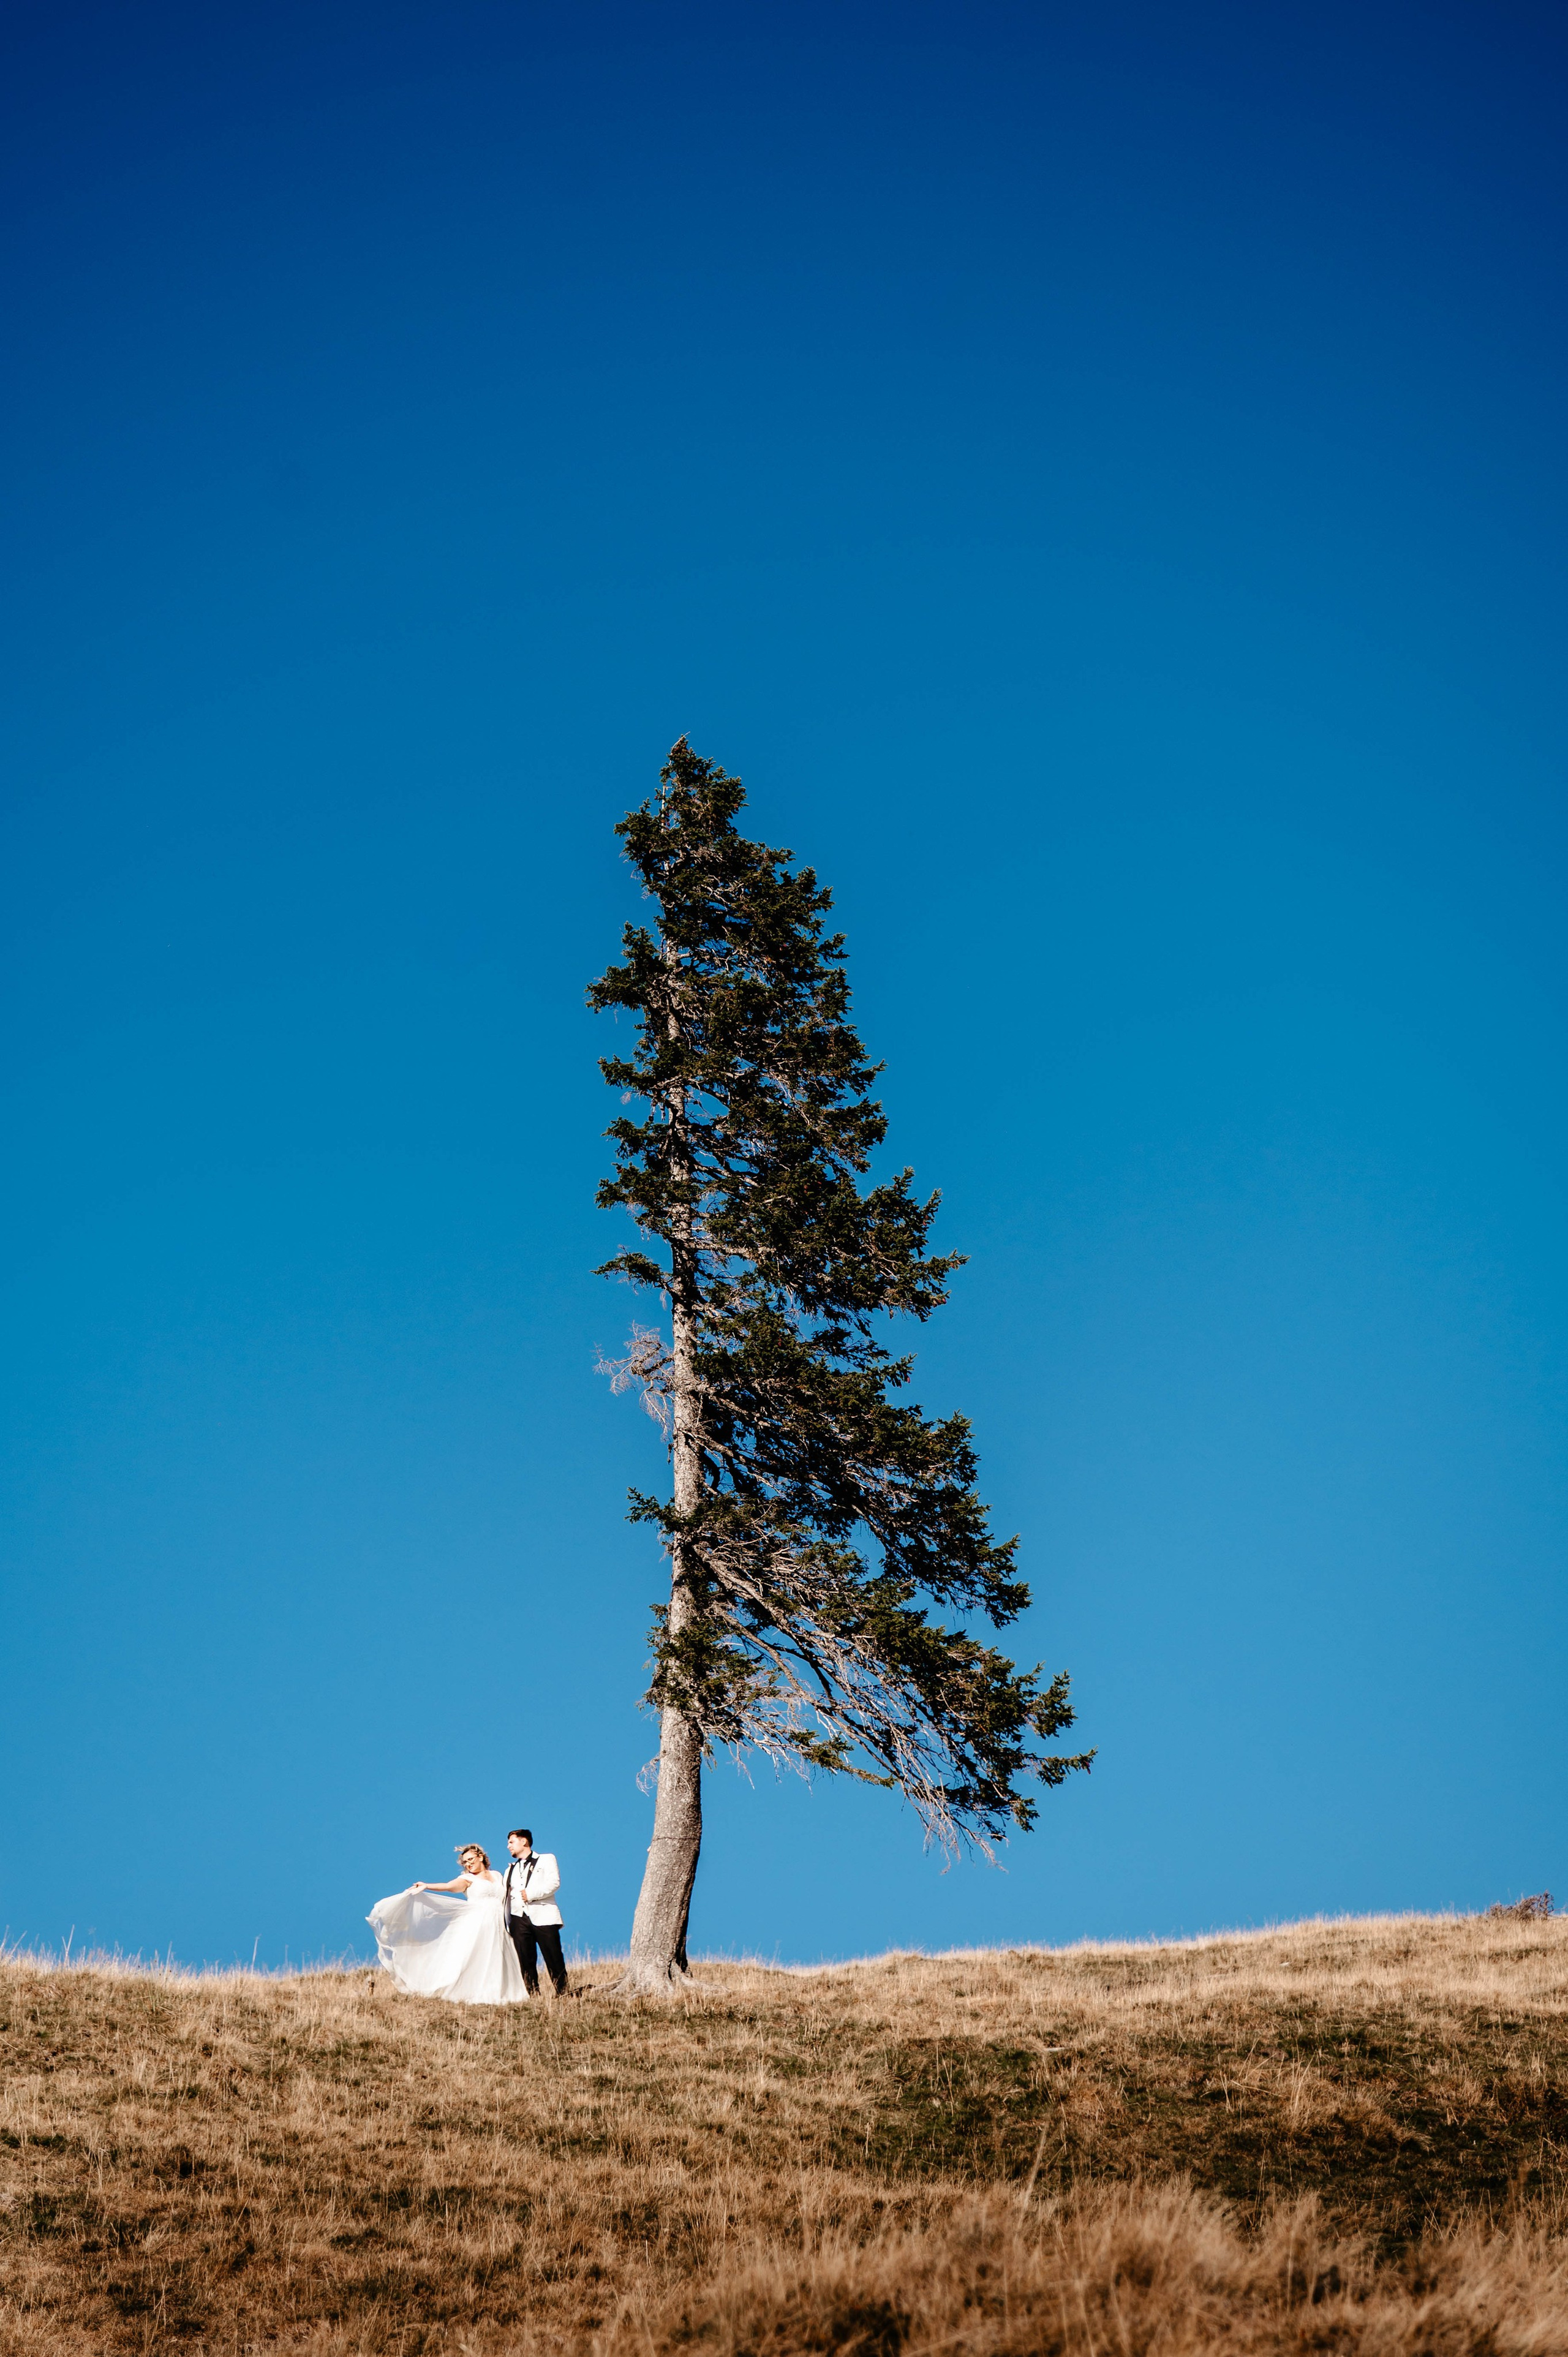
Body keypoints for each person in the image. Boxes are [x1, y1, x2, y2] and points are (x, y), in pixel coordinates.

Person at [367, 1843, 527, 2004]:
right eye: (465, 1862)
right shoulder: (467, 1879)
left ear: (481, 1857)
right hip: (480, 1922)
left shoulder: (497, 1875)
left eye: (471, 1859)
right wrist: (427, 1886)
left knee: (501, 1953)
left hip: (500, 1920)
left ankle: (503, 1991)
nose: (468, 1864)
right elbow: (449, 1887)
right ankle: (477, 1991)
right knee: (481, 1954)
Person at [503, 1827, 568, 1996]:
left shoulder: (547, 1859)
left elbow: (554, 1883)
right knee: (525, 1960)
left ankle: (563, 1993)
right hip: (518, 1919)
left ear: (524, 1841)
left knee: (554, 1956)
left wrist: (530, 1895)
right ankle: (533, 1995)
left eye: (511, 1842)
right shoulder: (509, 1870)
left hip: (544, 1915)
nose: (508, 1846)